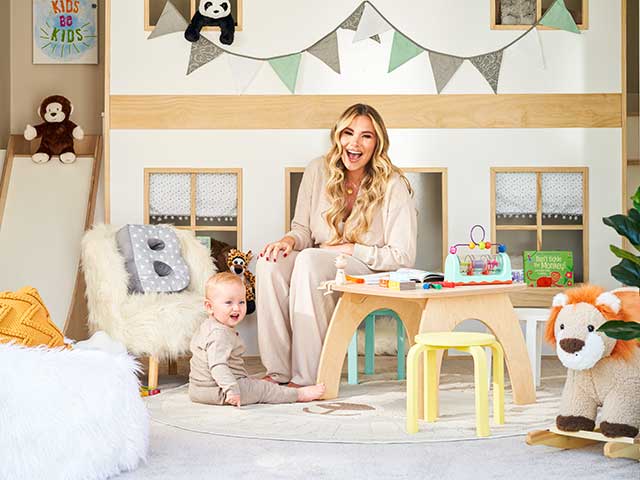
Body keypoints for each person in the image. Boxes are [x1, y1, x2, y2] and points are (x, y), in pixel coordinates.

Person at [256, 103, 418, 387]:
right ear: (337, 136)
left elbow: (402, 256)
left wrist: (348, 250)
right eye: (348, 133)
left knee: (307, 260)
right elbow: (303, 230)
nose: (354, 143)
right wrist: (287, 241)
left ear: (377, 143)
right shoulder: (317, 169)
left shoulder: (393, 184)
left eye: (366, 136)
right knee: (270, 264)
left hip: (367, 269)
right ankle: (277, 370)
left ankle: (310, 377)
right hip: (319, 260)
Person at [189, 272, 325, 406]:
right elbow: (218, 366)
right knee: (264, 390)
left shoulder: (208, 327)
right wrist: (232, 390)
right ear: (209, 307)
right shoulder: (219, 334)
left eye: (241, 302)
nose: (237, 308)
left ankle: (248, 385)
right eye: (228, 302)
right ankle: (299, 394)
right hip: (219, 390)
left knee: (255, 383)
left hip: (199, 390)